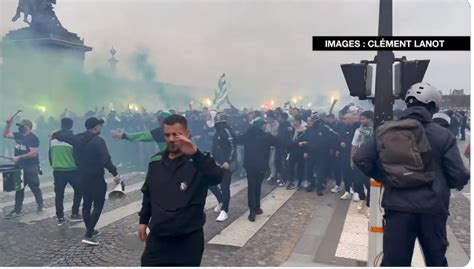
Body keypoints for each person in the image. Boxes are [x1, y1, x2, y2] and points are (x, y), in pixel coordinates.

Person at [353, 82, 470, 266]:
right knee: (436, 261)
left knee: (394, 263)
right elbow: (457, 176)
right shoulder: (443, 135)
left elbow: (361, 159)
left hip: (398, 208)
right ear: (432, 106)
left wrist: (386, 177)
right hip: (432, 210)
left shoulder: (386, 130)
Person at [138, 114, 224, 266]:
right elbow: (149, 192)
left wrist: (195, 154)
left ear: (187, 134)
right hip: (158, 237)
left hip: (188, 240)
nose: (171, 139)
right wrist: (143, 219)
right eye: (167, 135)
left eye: (176, 134)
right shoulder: (155, 161)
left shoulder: (199, 162)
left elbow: (217, 177)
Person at [53, 117, 121, 246]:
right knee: (98, 205)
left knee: (86, 203)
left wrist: (55, 133)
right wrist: (115, 173)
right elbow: (105, 160)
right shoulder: (99, 141)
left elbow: (61, 135)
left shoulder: (77, 138)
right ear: (96, 127)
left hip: (82, 176)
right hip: (96, 177)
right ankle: (88, 234)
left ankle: (91, 230)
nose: (100, 128)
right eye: (100, 126)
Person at [235, 117, 278, 222]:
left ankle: (253, 210)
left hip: (250, 165)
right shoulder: (266, 136)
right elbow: (277, 141)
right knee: (258, 186)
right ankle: (257, 207)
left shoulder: (247, 135)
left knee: (252, 187)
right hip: (261, 166)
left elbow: (237, 140)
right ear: (262, 126)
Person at [3, 117, 44, 218]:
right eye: (19, 126)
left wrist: (18, 157)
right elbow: (5, 134)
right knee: (19, 188)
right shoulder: (18, 135)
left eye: (22, 126)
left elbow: (33, 153)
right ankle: (17, 210)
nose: (20, 128)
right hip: (19, 166)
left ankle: (40, 204)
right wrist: (8, 124)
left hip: (31, 167)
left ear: (28, 127)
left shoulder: (33, 138)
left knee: (34, 187)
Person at [49, 118, 82, 225]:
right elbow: (77, 155)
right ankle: (75, 212)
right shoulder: (73, 139)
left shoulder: (52, 140)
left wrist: (53, 164)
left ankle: (60, 217)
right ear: (71, 125)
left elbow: (50, 155)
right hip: (72, 170)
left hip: (58, 170)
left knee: (59, 194)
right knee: (79, 190)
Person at [303, 112, 341, 195]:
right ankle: (312, 183)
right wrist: (304, 147)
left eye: (313, 120)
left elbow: (335, 136)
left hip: (322, 153)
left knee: (320, 171)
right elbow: (305, 138)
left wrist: (332, 147)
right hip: (311, 152)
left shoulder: (324, 128)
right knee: (308, 170)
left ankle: (319, 187)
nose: (312, 122)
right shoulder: (309, 129)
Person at [209, 112, 235, 222]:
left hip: (226, 164)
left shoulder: (227, 132)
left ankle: (225, 210)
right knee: (209, 182)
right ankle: (220, 201)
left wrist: (227, 161)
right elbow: (216, 147)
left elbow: (233, 147)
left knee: (225, 187)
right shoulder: (217, 132)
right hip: (216, 162)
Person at [350, 110, 374, 215]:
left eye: (363, 118)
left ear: (370, 119)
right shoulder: (358, 131)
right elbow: (354, 145)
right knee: (358, 182)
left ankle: (369, 205)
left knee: (370, 184)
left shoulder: (375, 130)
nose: (361, 121)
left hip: (372, 160)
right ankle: (362, 198)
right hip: (360, 159)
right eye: (361, 119)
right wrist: (352, 159)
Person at [286, 116, 307, 190]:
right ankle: (291, 181)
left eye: (294, 121)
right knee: (290, 167)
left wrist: (305, 151)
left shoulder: (304, 130)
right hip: (292, 151)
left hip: (300, 151)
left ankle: (299, 182)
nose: (293, 123)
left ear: (298, 121)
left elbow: (306, 141)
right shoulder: (292, 130)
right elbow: (289, 140)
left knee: (300, 168)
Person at [264, 111, 279, 183]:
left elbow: (275, 135)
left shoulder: (277, 125)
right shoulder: (267, 125)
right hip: (268, 145)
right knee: (269, 161)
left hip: (275, 145)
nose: (267, 120)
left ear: (272, 118)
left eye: (268, 118)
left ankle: (275, 175)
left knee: (273, 161)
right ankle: (272, 174)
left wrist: (268, 135)